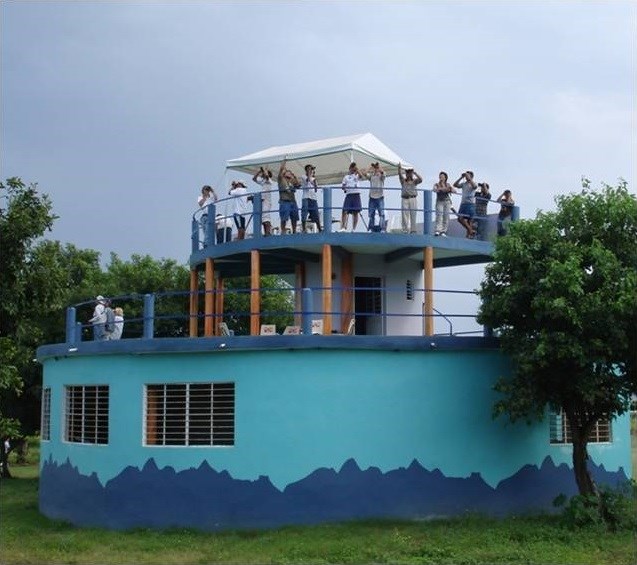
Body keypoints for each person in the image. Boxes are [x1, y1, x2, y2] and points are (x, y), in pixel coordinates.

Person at [398, 163, 423, 234]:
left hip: (413, 198)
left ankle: (413, 230)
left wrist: (415, 173)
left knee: (413, 214)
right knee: (404, 214)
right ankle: (405, 229)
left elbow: (421, 179)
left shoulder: (414, 181)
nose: (409, 174)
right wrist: (399, 169)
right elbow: (400, 175)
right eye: (407, 173)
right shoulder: (403, 181)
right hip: (404, 198)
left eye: (410, 173)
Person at [453, 170, 478, 238]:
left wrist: (469, 178)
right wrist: (461, 177)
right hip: (463, 203)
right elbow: (455, 185)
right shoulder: (464, 184)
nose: (466, 176)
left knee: (470, 220)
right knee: (460, 218)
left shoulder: (474, 182)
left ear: (471, 176)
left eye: (468, 175)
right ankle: (471, 230)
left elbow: (475, 187)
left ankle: (468, 235)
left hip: (470, 204)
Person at [277, 159, 300, 234]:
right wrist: (284, 162)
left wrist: (295, 177)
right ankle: (283, 231)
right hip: (284, 201)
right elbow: (281, 170)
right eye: (288, 172)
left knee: (294, 217)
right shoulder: (281, 179)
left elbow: (298, 185)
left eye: (290, 173)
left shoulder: (292, 181)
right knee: (284, 217)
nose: (289, 173)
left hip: (293, 201)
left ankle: (294, 231)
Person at [340, 162, 364, 232]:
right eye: (352, 167)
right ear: (349, 168)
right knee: (345, 211)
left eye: (354, 167)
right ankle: (343, 227)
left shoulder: (357, 175)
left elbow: (361, 176)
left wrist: (357, 170)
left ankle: (353, 229)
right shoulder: (346, 177)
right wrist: (344, 188)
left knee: (355, 212)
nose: (353, 169)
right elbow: (343, 186)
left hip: (356, 194)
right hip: (349, 195)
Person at [364, 162, 385, 232]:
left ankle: (382, 228)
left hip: (380, 196)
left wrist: (378, 168)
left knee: (381, 213)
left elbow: (383, 173)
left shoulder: (381, 175)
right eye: (375, 168)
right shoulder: (372, 176)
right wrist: (370, 167)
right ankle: (371, 228)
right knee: (371, 214)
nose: (376, 169)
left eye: (377, 167)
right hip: (372, 197)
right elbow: (365, 173)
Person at [300, 164, 322, 232]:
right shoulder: (303, 176)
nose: (311, 170)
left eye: (311, 169)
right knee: (304, 213)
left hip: (313, 198)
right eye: (310, 169)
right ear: (306, 170)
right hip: (306, 197)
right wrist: (310, 175)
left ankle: (319, 229)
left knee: (316, 214)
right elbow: (307, 180)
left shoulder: (314, 179)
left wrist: (314, 180)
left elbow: (315, 189)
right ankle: (304, 229)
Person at [432, 171, 455, 237]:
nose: (441, 177)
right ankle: (437, 230)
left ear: (445, 177)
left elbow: (454, 190)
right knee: (439, 215)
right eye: (440, 176)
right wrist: (445, 189)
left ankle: (443, 231)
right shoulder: (436, 184)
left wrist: (446, 189)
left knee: (446, 216)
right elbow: (435, 189)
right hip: (439, 201)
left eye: (442, 176)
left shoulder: (448, 184)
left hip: (447, 201)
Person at [252, 167, 274, 236]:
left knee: (266, 216)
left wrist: (265, 170)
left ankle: (268, 232)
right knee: (263, 217)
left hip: (267, 200)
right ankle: (266, 232)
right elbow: (254, 179)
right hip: (263, 200)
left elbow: (267, 176)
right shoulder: (263, 181)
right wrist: (259, 172)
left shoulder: (269, 180)